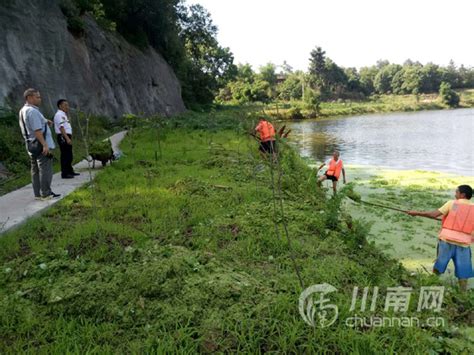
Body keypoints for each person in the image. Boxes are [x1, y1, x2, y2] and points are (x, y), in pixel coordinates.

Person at [407, 185, 473, 292]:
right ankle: (463, 293)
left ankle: (430, 285)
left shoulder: (452, 204)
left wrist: (417, 213)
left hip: (446, 241)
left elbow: (434, 214)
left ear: (462, 195)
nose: (455, 194)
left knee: (439, 266)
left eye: (456, 192)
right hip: (463, 245)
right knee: (463, 272)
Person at [19, 88, 60, 201]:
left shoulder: (24, 110)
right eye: (37, 97)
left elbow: (33, 123)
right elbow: (37, 130)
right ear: (29, 98)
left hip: (31, 145)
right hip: (40, 145)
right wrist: (45, 145)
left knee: (35, 170)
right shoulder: (32, 111)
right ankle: (46, 193)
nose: (40, 99)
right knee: (45, 169)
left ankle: (37, 193)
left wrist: (46, 121)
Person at [54, 99, 79, 179]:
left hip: (66, 135)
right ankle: (65, 173)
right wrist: (67, 138)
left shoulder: (64, 114)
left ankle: (70, 171)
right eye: (65, 105)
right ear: (60, 106)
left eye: (67, 105)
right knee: (65, 155)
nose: (67, 107)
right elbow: (61, 127)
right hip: (63, 136)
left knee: (69, 154)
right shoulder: (59, 115)